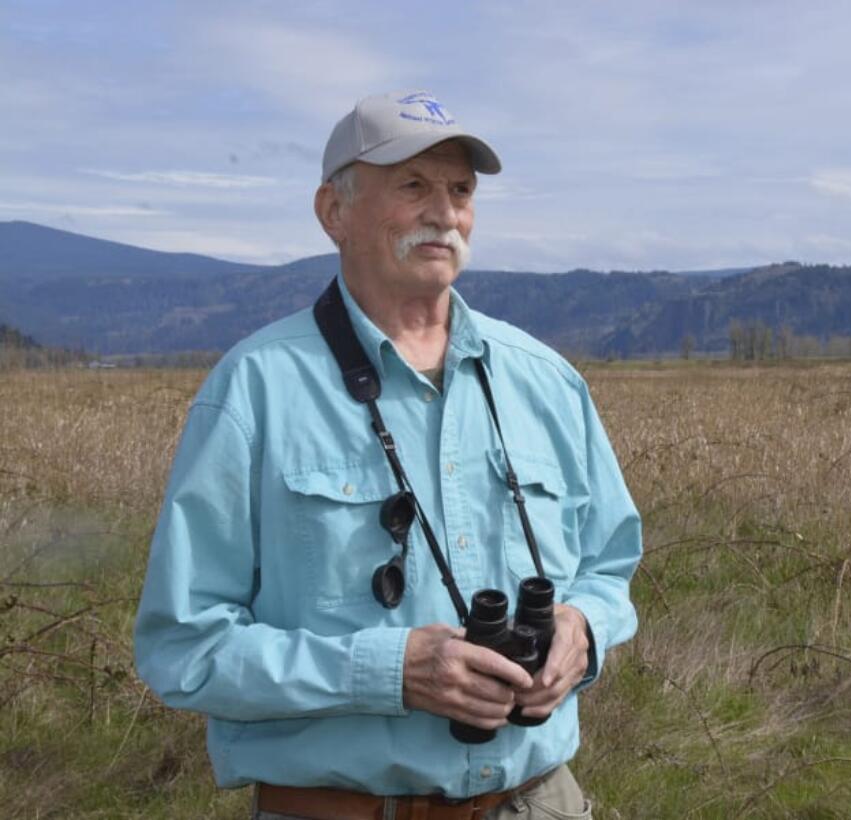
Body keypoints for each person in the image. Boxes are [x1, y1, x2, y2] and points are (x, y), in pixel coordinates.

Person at [134, 90, 642, 820]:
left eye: (460, 189)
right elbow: (184, 647)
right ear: (332, 211)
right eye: (413, 186)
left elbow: (610, 565)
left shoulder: (545, 380)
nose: (444, 211)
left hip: (541, 801)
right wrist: (388, 672)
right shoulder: (254, 390)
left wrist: (581, 630)